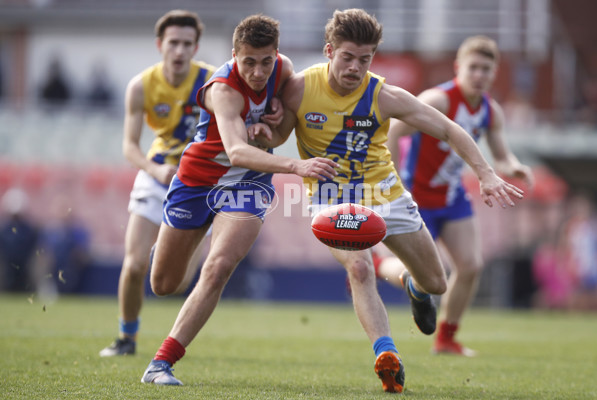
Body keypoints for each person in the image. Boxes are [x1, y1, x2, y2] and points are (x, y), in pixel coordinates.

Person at [269, 9, 524, 393]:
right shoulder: (299, 89)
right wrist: (263, 129)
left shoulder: (384, 95)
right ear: (329, 51)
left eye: (365, 59)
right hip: (331, 198)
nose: (355, 67)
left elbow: (449, 128)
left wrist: (487, 173)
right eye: (347, 57)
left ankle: (412, 285)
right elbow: (275, 139)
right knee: (359, 267)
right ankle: (386, 354)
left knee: (437, 283)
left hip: (386, 193)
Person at [140, 14, 337, 386]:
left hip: (249, 184)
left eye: (266, 61)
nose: (259, 71)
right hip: (198, 181)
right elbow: (235, 151)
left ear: (276, 55)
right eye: (248, 62)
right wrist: (296, 165)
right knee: (164, 285)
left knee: (217, 268)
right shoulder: (222, 88)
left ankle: (161, 364)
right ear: (234, 55)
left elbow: (276, 135)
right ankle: (177, 246)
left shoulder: (283, 71)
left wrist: (273, 126)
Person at [382, 35, 534, 356]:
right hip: (417, 199)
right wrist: (393, 179)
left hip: (452, 199)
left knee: (470, 265)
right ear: (458, 68)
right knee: (426, 276)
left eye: (486, 69)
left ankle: (446, 339)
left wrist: (514, 166)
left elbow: (501, 155)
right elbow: (395, 129)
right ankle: (381, 262)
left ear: (494, 74)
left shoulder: (491, 111)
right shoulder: (438, 99)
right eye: (473, 67)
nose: (479, 75)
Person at [99, 10, 216, 357]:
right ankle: (126, 338)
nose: (179, 50)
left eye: (186, 44)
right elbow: (129, 146)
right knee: (134, 264)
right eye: (173, 43)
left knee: (176, 284)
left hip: (200, 185)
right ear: (160, 45)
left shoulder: (212, 81)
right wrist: (156, 170)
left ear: (195, 47)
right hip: (158, 176)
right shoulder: (141, 85)